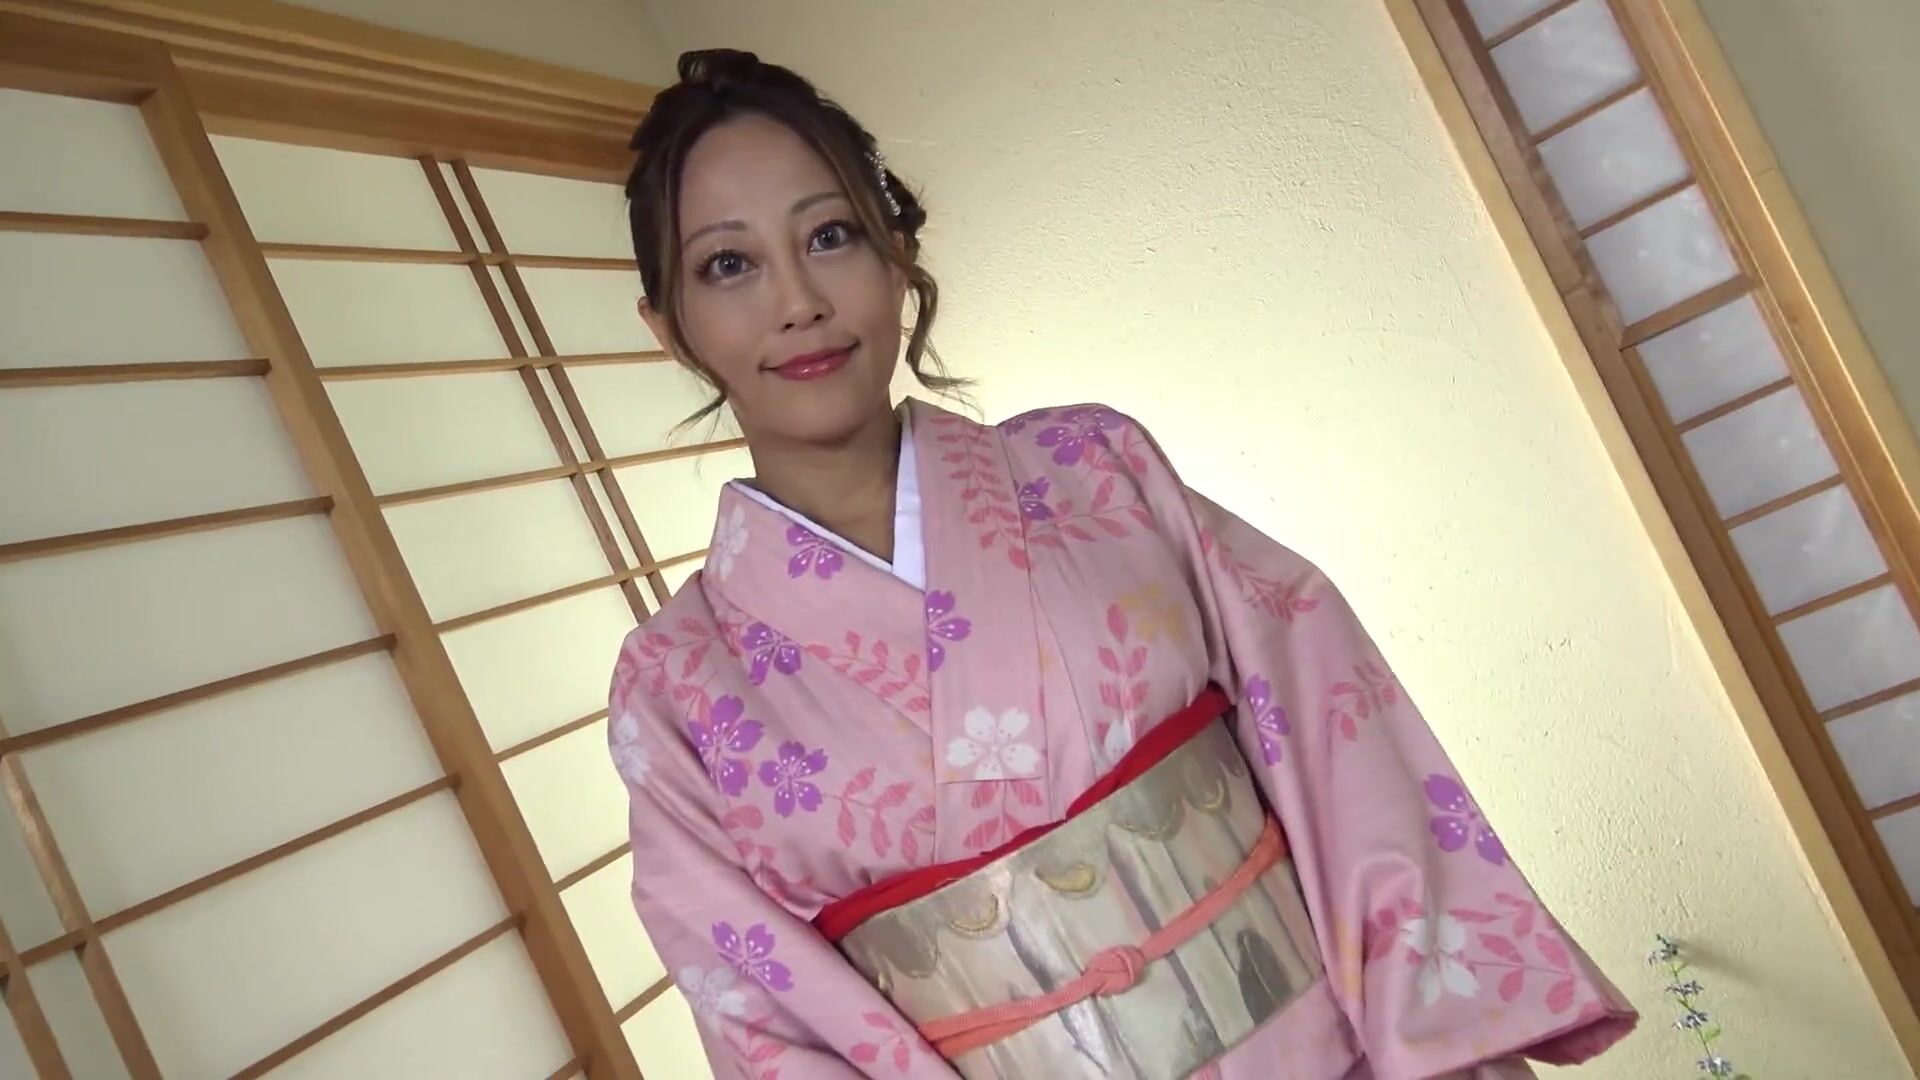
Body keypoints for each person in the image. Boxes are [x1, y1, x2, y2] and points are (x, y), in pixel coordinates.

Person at [608, 48, 1635, 1080]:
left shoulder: (1092, 466)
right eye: (728, 264)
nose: (797, 300)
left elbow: (1335, 738)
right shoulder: (677, 687)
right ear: (669, 326)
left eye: (829, 235)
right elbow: (767, 1024)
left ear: (894, 253)